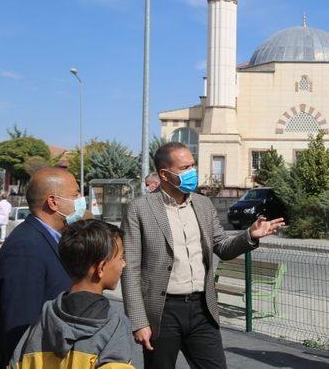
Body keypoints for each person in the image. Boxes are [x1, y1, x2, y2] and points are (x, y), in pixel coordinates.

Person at [121, 142, 285, 368]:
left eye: (193, 165)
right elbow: (130, 268)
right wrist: (139, 321)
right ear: (164, 174)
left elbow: (222, 246)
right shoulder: (139, 209)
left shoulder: (203, 204)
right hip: (162, 311)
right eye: (185, 167)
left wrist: (250, 235)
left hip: (202, 309)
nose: (192, 172)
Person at [0, 167, 86, 368]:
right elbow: (21, 325)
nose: (81, 200)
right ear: (53, 202)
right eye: (75, 195)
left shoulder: (51, 237)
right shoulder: (26, 247)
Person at [10, 219, 134, 368]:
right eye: (121, 258)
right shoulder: (115, 325)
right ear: (101, 268)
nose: (124, 264)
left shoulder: (43, 320)